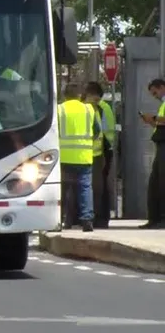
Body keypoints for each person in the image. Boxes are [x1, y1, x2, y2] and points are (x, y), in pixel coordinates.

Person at [58, 83, 99, 232]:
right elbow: (97, 131)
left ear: (64, 95)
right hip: (84, 156)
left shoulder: (59, 110)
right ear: (79, 95)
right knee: (85, 188)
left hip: (64, 157)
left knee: (63, 189)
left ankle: (61, 219)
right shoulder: (89, 109)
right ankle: (87, 219)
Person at [84, 82, 115, 228]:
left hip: (101, 150)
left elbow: (97, 131)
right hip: (103, 149)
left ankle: (100, 218)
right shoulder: (103, 107)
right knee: (99, 185)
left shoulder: (98, 107)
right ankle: (101, 217)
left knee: (99, 186)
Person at [138, 78, 165, 229]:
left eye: (155, 92)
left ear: (161, 87)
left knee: (161, 183)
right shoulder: (163, 104)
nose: (155, 96)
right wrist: (151, 121)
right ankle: (154, 219)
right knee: (155, 184)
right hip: (160, 145)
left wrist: (153, 118)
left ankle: (161, 218)